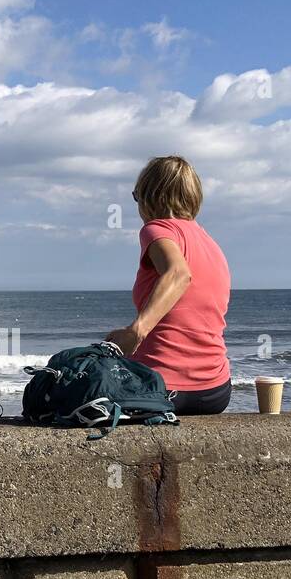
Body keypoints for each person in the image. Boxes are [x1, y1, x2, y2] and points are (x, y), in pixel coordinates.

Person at [105, 155, 231, 415]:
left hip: (161, 388)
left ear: (150, 196)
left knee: (73, 377)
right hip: (216, 391)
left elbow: (178, 274)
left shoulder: (157, 229)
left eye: (136, 196)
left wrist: (135, 332)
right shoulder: (211, 243)